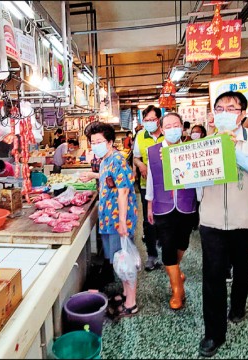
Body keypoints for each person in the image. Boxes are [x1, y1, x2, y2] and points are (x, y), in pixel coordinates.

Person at [197, 91, 248, 357]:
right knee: (213, 276)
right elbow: (193, 180)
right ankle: (213, 334)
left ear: (242, 114)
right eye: (219, 108)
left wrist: (232, 151)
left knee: (244, 266)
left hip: (246, 220)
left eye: (231, 108)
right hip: (212, 220)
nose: (225, 112)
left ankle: (239, 304)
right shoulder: (204, 142)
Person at [79, 122, 140, 319]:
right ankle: (124, 293)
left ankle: (131, 304)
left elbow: (123, 190)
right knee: (117, 259)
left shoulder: (118, 160)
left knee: (125, 260)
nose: (95, 145)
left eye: (99, 141)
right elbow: (109, 178)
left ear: (110, 142)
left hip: (118, 220)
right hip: (109, 219)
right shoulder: (105, 160)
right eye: (93, 142)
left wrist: (122, 221)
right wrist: (92, 174)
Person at [145, 113, 199, 310]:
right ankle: (177, 290)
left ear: (182, 128)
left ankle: (175, 271)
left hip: (186, 203)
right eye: (168, 125)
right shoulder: (153, 152)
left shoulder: (192, 150)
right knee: (167, 245)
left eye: (177, 124)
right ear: (162, 128)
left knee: (182, 243)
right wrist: (149, 205)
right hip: (162, 204)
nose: (173, 128)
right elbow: (151, 180)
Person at [133, 105, 164, 271]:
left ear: (159, 119)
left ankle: (168, 254)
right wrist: (140, 166)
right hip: (147, 186)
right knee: (149, 221)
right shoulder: (140, 135)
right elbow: (136, 157)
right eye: (146, 120)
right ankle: (151, 255)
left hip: (168, 186)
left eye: (152, 120)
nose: (149, 123)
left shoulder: (168, 132)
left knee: (165, 220)